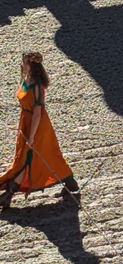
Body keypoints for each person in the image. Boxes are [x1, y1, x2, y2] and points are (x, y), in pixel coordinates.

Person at [0, 52, 79, 209]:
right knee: (37, 156)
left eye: (24, 62)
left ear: (30, 64)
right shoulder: (26, 79)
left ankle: (8, 193)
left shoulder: (37, 86)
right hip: (26, 121)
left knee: (29, 157)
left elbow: (37, 113)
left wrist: (32, 136)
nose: (22, 65)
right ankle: (71, 183)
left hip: (38, 126)